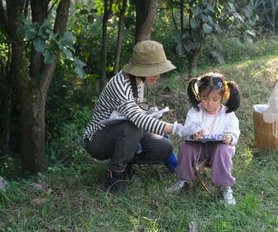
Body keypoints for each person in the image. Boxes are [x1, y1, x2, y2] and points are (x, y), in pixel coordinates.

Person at [83, 40, 184, 193]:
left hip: (122, 130)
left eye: (159, 70)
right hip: (97, 139)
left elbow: (137, 112)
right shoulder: (120, 84)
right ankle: (114, 177)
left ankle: (126, 162)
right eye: (153, 70)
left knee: (164, 147)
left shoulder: (139, 82)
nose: (157, 76)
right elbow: (137, 118)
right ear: (140, 68)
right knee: (134, 125)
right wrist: (175, 128)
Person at [167, 72, 241, 205]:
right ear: (199, 96)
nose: (209, 104)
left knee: (223, 149)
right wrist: (193, 134)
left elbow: (234, 134)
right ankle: (183, 180)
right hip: (198, 148)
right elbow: (186, 131)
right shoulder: (195, 112)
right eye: (205, 98)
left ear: (222, 97)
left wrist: (229, 138)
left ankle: (224, 186)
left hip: (218, 150)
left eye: (215, 99)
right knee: (186, 147)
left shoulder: (228, 114)